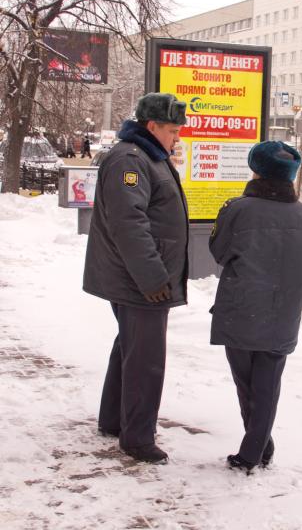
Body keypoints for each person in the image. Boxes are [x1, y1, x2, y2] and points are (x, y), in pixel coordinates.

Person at [83, 92, 189, 465]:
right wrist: (152, 277)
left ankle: (115, 421)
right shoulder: (131, 159)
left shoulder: (145, 156)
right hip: (140, 280)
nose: (176, 137)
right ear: (151, 126)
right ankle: (138, 438)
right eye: (172, 130)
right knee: (145, 359)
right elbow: (129, 224)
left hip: (139, 277)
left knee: (129, 348)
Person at [209, 141, 302, 474]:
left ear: (256, 170)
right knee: (268, 384)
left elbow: (219, 252)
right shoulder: (300, 213)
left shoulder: (238, 208)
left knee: (246, 382)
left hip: (243, 307)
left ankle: (252, 452)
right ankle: (260, 445)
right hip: (283, 310)